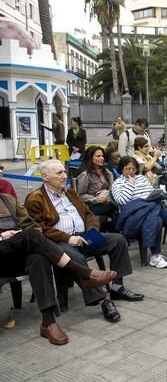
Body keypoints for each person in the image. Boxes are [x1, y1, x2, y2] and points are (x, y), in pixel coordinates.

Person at [25, 160, 145, 324]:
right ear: (45, 176)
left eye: (64, 172)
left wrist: (93, 230)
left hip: (84, 236)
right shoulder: (35, 199)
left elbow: (89, 214)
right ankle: (104, 299)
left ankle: (117, 287)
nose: (64, 176)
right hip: (59, 242)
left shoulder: (71, 193)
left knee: (117, 240)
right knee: (76, 257)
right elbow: (40, 229)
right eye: (59, 173)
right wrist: (68, 238)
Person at [1, 193, 117, 345]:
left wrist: (17, 235)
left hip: (17, 254)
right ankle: (83, 273)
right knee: (30, 236)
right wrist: (3, 236)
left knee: (38, 257)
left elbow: (32, 226)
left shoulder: (7, 200)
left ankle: (48, 322)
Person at [111, 156, 167, 268]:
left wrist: (156, 193)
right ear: (121, 169)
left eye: (133, 169)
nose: (131, 171)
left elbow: (149, 191)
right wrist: (130, 185)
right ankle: (155, 256)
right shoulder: (118, 183)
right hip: (136, 210)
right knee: (156, 221)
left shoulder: (141, 178)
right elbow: (122, 200)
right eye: (127, 169)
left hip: (151, 205)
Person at [76, 146, 118, 231]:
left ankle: (114, 236)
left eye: (102, 156)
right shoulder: (85, 175)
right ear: (91, 158)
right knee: (115, 206)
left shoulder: (107, 173)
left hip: (107, 202)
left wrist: (106, 194)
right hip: (92, 205)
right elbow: (80, 195)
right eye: (98, 156)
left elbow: (113, 190)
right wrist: (96, 199)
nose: (101, 158)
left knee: (115, 211)